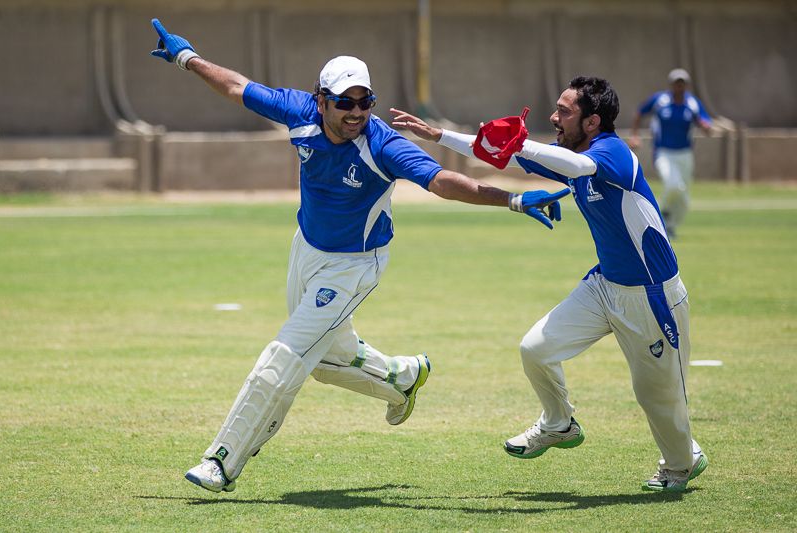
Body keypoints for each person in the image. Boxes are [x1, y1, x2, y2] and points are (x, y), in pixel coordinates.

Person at [149, 19, 569, 493]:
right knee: (326, 361)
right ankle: (402, 377)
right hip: (306, 248)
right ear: (321, 100)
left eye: (364, 101)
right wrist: (187, 58)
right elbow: (236, 87)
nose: (355, 112)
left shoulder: (382, 144)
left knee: (284, 357)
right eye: (344, 102)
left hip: (354, 265)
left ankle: (221, 460)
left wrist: (512, 199)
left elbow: (442, 182)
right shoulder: (298, 110)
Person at [391, 76, 708, 492]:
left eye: (564, 111)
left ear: (592, 122)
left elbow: (575, 167)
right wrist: (438, 136)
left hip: (651, 296)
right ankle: (559, 424)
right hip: (605, 286)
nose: (554, 117)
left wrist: (520, 143)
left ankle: (682, 464)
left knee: (656, 397)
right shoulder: (571, 153)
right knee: (535, 349)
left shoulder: (612, 152)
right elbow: (501, 154)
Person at [629, 68, 712, 237]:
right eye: (676, 83)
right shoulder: (660, 100)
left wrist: (705, 126)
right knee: (673, 185)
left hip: (685, 154)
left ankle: (670, 227)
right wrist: (635, 135)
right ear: (671, 84)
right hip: (663, 152)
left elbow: (705, 123)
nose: (679, 86)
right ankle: (659, 213)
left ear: (686, 85)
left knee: (684, 198)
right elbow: (640, 112)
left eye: (682, 83)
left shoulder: (693, 104)